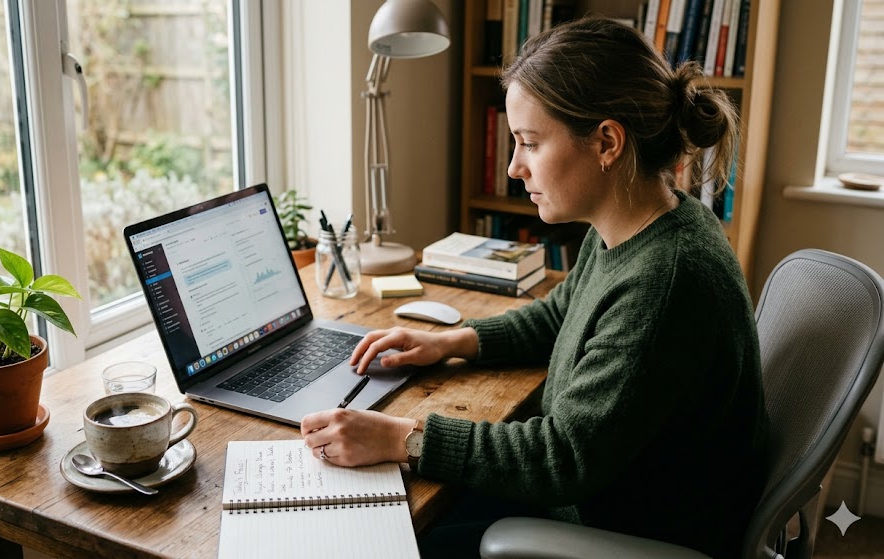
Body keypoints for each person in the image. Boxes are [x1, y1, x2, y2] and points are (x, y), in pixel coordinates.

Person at [300, 17, 767, 559]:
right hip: (605, 498)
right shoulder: (642, 220)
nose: (514, 166)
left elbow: (562, 457)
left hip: (618, 529)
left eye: (529, 143)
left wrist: (401, 438)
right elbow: (559, 316)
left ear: (607, 143)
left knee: (379, 543)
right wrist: (454, 342)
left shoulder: (665, 282)